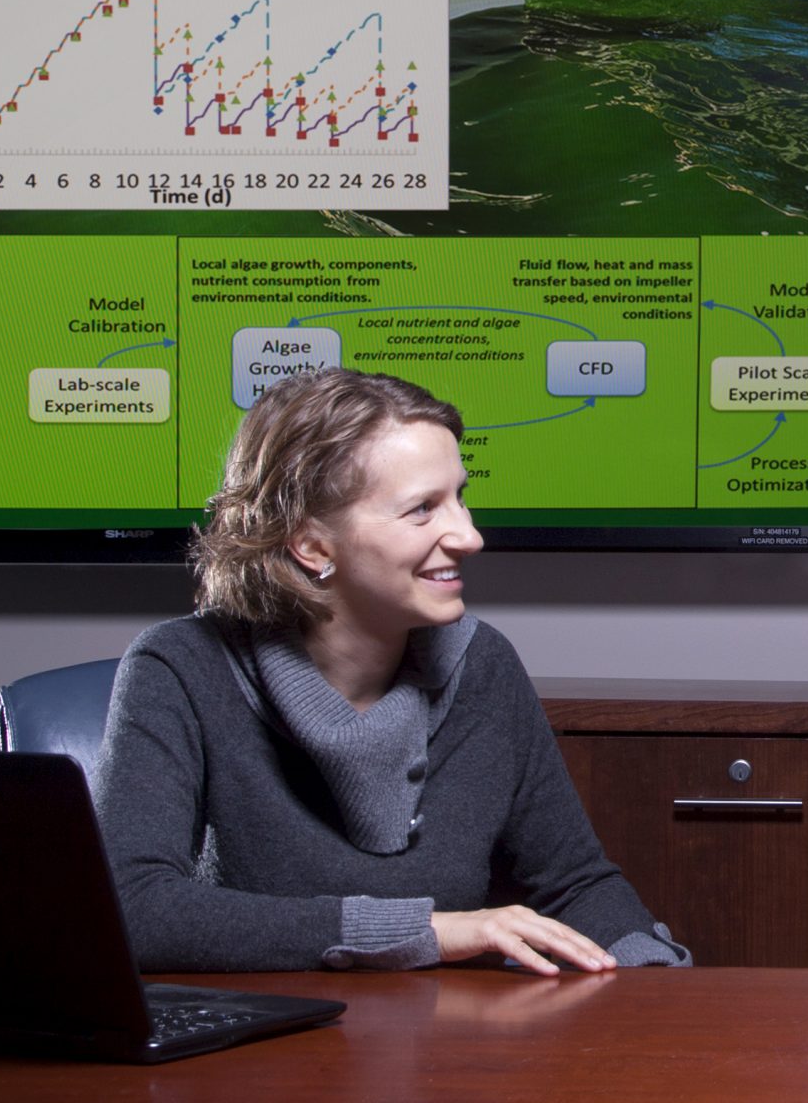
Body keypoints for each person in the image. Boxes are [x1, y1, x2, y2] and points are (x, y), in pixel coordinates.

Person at [94, 367, 687, 976]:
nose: (469, 535)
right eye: (422, 510)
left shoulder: (483, 663)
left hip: (452, 1049)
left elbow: (575, 885)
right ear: (313, 546)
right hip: (264, 1050)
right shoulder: (179, 668)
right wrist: (419, 931)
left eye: (460, 496)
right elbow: (132, 910)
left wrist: (656, 982)